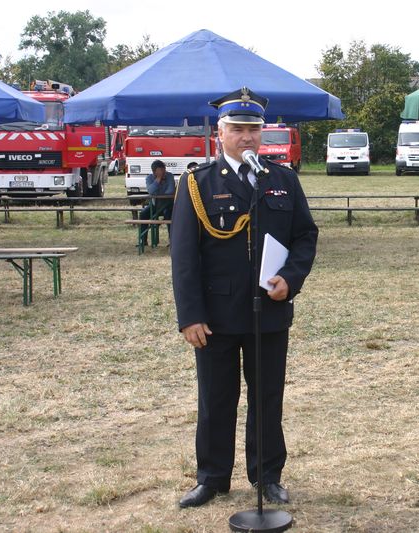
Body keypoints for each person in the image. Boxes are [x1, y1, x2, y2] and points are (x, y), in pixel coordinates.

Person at [170, 87, 318, 508]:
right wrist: (190, 315)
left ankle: (267, 476)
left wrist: (292, 278)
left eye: (254, 129)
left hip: (268, 310)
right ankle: (213, 476)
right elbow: (184, 257)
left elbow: (305, 236)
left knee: (267, 396)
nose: (248, 138)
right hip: (215, 314)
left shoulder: (283, 180)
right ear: (220, 133)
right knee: (216, 398)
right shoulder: (198, 184)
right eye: (238, 129)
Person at [138, 160, 176, 246]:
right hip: (154, 205)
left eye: (163, 170)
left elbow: (171, 191)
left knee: (169, 215)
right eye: (160, 171)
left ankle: (172, 241)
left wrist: (157, 193)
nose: (163, 172)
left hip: (168, 205)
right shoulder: (149, 178)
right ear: (154, 172)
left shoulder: (169, 176)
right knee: (143, 214)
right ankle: (143, 241)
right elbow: (150, 191)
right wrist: (158, 180)